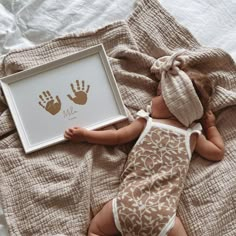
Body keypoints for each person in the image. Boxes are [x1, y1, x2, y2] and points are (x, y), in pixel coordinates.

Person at [64, 51, 224, 236]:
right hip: (163, 217)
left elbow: (117, 137)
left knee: (96, 231)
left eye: (158, 95)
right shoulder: (191, 136)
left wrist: (86, 135)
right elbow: (217, 151)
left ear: (174, 105)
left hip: (126, 205)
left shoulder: (147, 122)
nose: (151, 99)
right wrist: (210, 126)